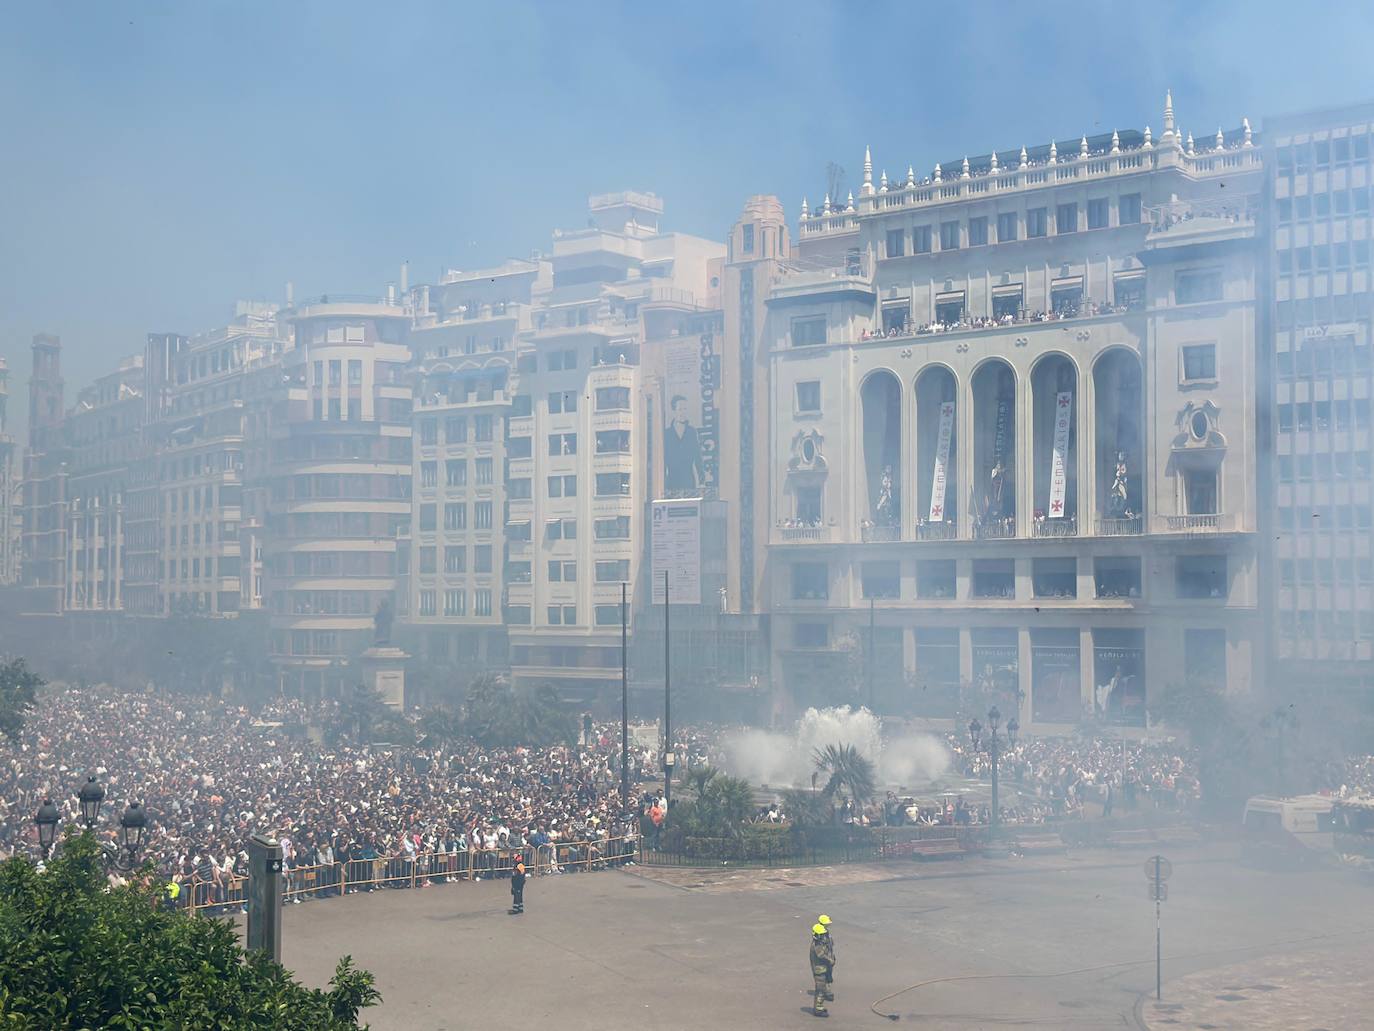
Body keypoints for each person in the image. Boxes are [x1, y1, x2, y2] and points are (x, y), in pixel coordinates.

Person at [663, 394, 703, 493]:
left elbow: (697, 456)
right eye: (680, 409)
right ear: (674, 411)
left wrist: (702, 478)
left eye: (685, 409)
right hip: (672, 481)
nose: (683, 412)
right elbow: (662, 460)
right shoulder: (666, 434)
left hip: (688, 480)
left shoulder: (691, 432)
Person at [809, 923, 834, 1018]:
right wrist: (830, 960)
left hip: (822, 969)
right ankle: (818, 1010)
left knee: (822, 989)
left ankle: (819, 1007)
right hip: (819, 971)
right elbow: (821, 955)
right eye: (821, 934)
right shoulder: (817, 946)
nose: (823, 936)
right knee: (820, 990)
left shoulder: (820, 943)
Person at [817, 915, 835, 1002]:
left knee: (828, 976)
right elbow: (820, 953)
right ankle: (826, 993)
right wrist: (829, 959)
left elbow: (830, 945)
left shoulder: (826, 932)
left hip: (829, 958)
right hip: (824, 961)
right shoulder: (820, 934)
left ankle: (827, 991)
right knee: (823, 978)